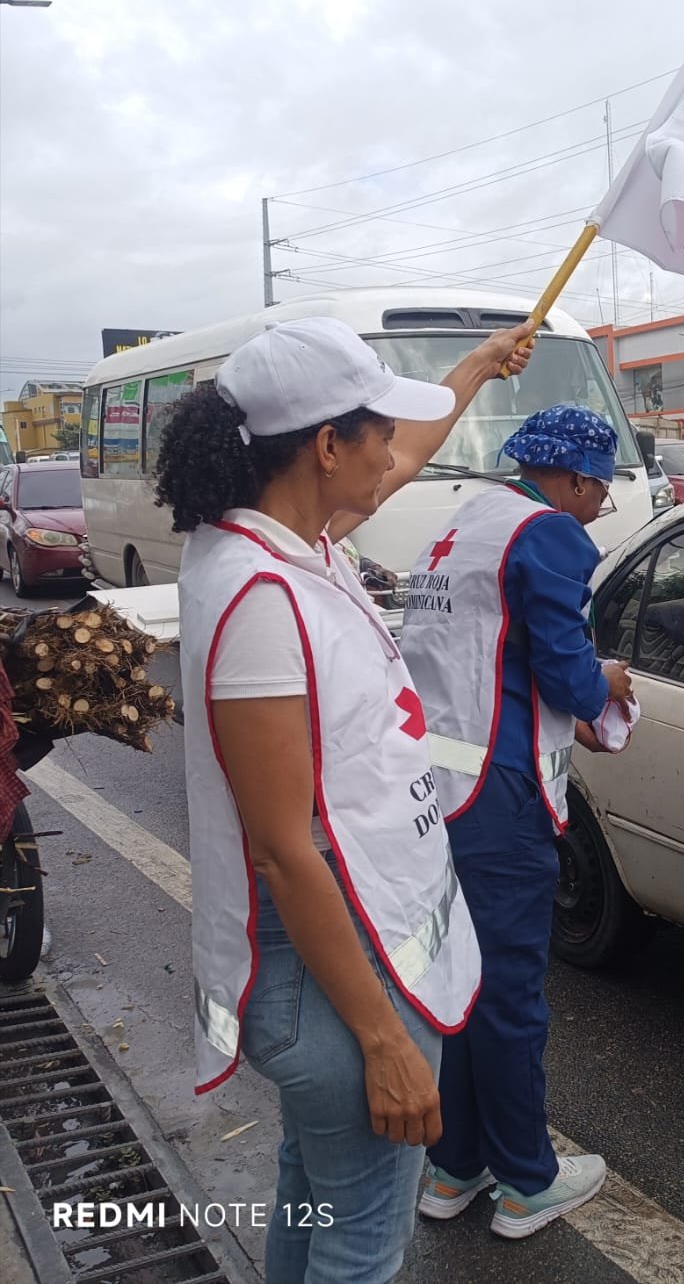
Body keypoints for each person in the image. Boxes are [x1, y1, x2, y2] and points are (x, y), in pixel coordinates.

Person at [153, 314, 535, 1282]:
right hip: (331, 969)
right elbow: (284, 847)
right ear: (327, 446)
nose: (392, 459)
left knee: (312, 1191)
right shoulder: (261, 602)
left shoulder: (287, 543)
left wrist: (476, 369)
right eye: (374, 434)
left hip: (345, 944)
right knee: (363, 1243)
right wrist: (381, 1042)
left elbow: (404, 456)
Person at [400, 405, 633, 1240]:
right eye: (600, 489)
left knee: (461, 981)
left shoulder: (465, 523)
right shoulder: (547, 534)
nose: (600, 506)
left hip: (440, 783)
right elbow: (569, 674)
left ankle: (455, 1164)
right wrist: (607, 681)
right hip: (500, 794)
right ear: (570, 477)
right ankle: (528, 1180)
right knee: (510, 994)